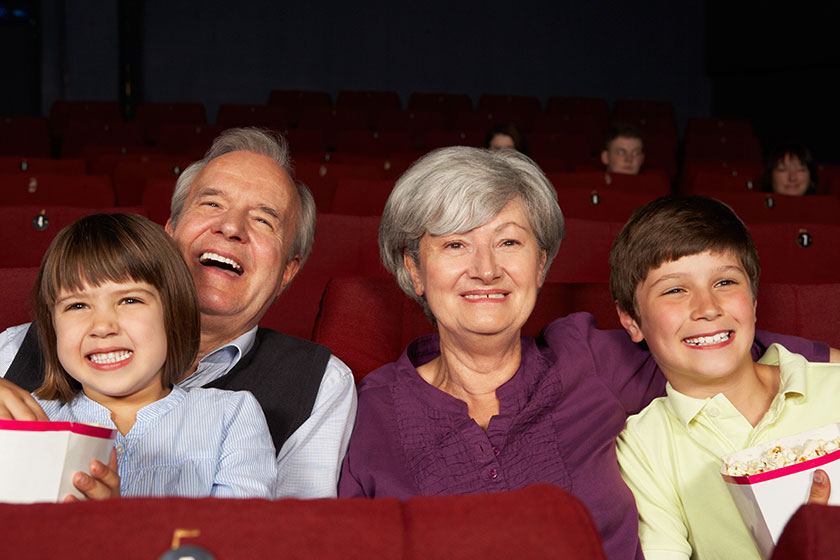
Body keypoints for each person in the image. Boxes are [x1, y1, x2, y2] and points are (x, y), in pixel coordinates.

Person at [337, 147, 833, 560]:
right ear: (414, 270)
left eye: (508, 241)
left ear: (540, 264)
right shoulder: (370, 409)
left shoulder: (586, 359)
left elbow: (716, 338)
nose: (485, 268)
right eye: (454, 245)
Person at [0, 127, 356, 499]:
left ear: (288, 271)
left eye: (263, 220)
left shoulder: (317, 384)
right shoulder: (15, 349)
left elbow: (290, 529)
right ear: (169, 234)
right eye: (212, 204)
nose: (231, 228)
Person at [612, 195, 835, 559]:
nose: (708, 308)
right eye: (675, 290)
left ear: (754, 302)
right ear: (631, 320)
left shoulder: (834, 387)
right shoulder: (643, 446)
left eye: (725, 282)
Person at [33, 213, 276, 499]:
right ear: (52, 325)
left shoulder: (230, 417)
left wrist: (114, 519)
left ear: (173, 313)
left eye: (129, 300)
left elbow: (241, 525)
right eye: (76, 306)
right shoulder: (31, 418)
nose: (102, 327)